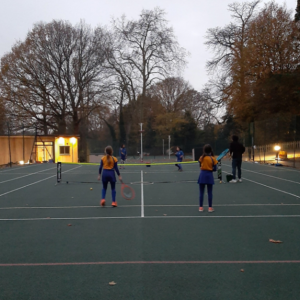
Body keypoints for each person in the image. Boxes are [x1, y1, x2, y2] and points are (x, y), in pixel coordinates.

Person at [198, 144, 218, 213]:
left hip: (202, 174)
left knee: (201, 192)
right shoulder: (213, 158)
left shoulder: (201, 157)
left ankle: (200, 207)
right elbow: (215, 169)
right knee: (209, 192)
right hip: (209, 175)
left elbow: (200, 165)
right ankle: (210, 208)